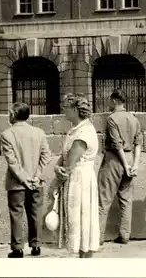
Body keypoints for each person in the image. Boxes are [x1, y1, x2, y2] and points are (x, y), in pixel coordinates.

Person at [0, 102, 51, 258]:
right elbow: (46, 156)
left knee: (16, 214)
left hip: (17, 183)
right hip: (36, 182)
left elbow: (12, 162)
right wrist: (36, 176)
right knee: (35, 212)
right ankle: (36, 246)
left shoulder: (7, 134)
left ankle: (17, 249)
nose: (8, 115)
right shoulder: (39, 133)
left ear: (14, 115)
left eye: (10, 113)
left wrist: (25, 179)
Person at [53, 93, 100, 258]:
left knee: (81, 220)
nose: (63, 110)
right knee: (81, 221)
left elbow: (70, 165)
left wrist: (59, 173)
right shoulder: (77, 129)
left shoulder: (83, 133)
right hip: (78, 178)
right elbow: (65, 155)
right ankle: (82, 257)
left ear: (75, 109)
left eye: (66, 107)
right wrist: (57, 166)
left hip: (80, 180)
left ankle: (83, 261)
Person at [98, 89, 142, 245]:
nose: (109, 104)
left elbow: (117, 145)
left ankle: (98, 238)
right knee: (126, 200)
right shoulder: (134, 119)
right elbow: (138, 143)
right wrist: (134, 165)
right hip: (130, 158)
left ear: (115, 100)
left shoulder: (112, 119)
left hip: (114, 160)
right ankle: (124, 235)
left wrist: (124, 164)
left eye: (110, 101)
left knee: (103, 200)